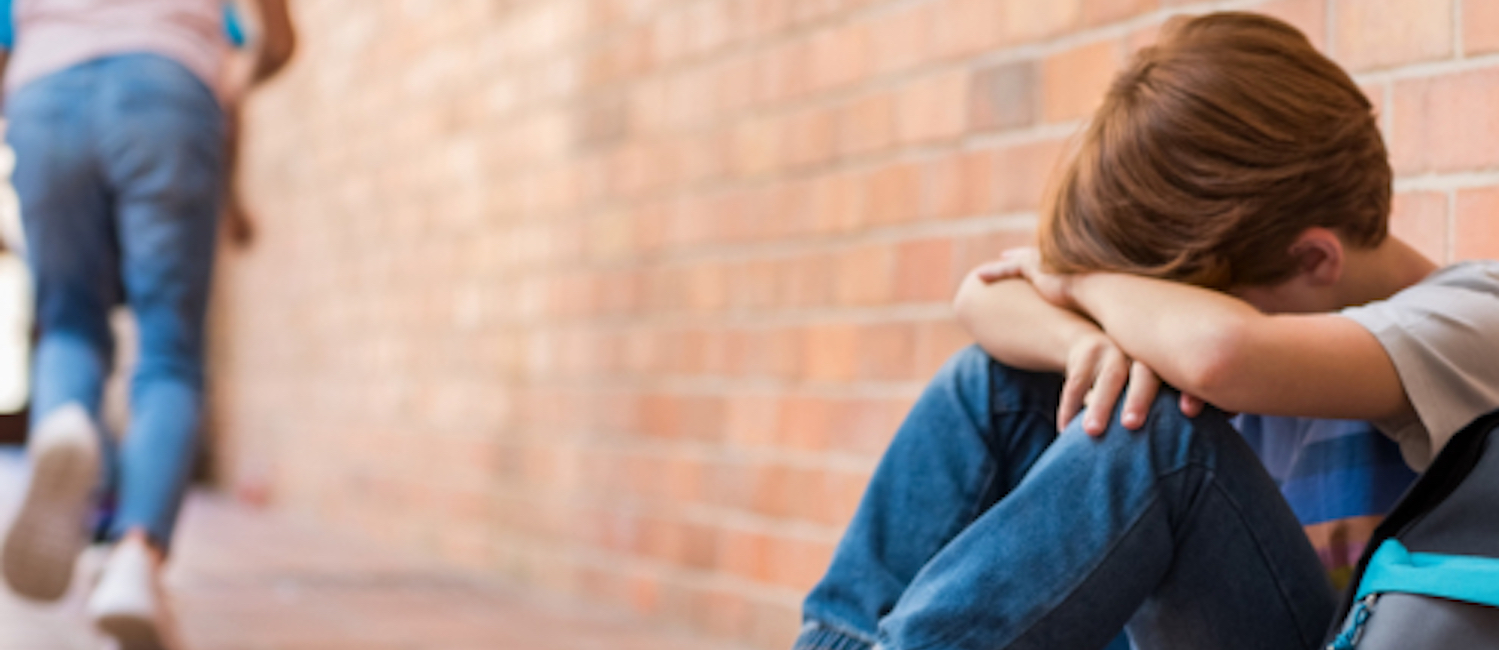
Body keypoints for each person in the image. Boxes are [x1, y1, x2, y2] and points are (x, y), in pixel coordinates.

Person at [794, 12, 1499, 650]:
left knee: (1159, 438)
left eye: (1185, 301)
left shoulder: (1473, 316)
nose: (1160, 322)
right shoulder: (1254, 313)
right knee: (997, 384)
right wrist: (1082, 343)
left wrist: (1078, 286)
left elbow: (1219, 352)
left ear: (1312, 260)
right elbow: (984, 294)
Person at [0, 0, 294, 647]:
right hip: (168, 90)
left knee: (68, 322)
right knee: (169, 349)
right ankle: (135, 557)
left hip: (43, 97)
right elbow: (276, 42)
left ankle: (64, 419)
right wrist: (231, 86)